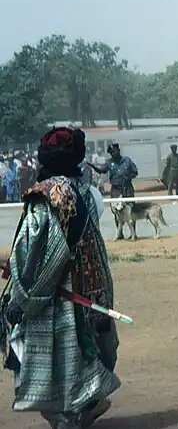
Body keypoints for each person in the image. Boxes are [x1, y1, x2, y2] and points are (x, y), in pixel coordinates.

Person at [2, 127, 120, 428]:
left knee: (50, 361)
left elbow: (32, 255)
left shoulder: (45, 198)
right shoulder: (85, 191)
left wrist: (20, 298)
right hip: (94, 292)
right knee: (88, 355)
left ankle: (69, 417)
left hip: (59, 296)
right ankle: (82, 408)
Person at [87, 144, 138, 240]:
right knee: (116, 211)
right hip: (116, 189)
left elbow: (135, 172)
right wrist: (91, 165)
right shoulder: (109, 163)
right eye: (111, 152)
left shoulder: (127, 160)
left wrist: (129, 177)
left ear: (119, 150)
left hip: (127, 188)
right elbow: (101, 170)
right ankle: (120, 234)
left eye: (115, 151)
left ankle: (133, 233)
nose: (114, 153)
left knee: (131, 210)